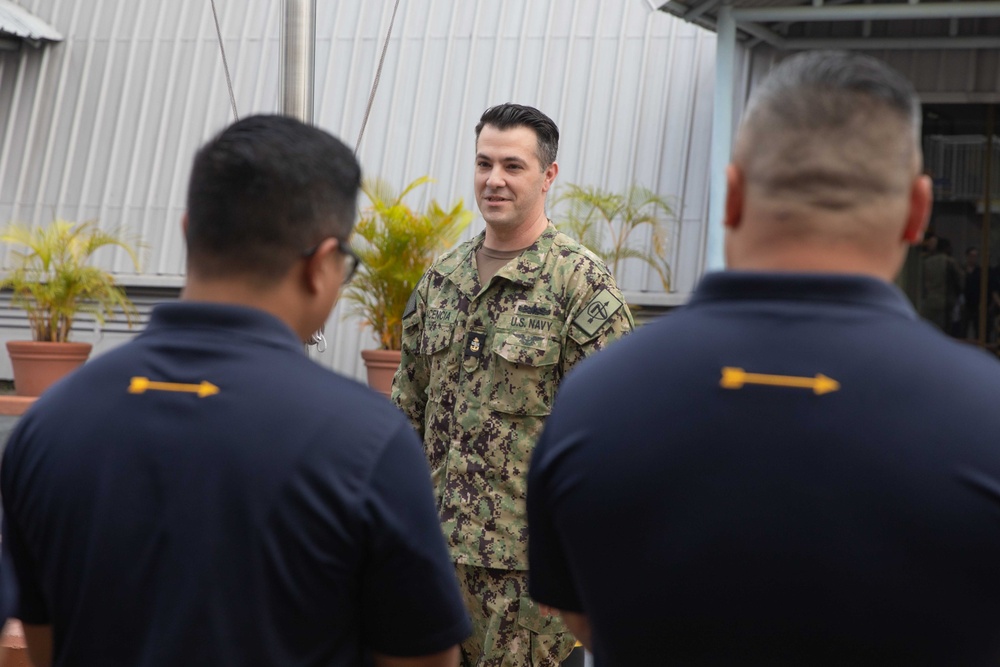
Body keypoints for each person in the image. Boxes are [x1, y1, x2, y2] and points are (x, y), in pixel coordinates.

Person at [528, 51, 1000, 666]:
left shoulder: (593, 398)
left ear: (730, 196)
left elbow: (580, 614)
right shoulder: (984, 416)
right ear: (918, 210)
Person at [0, 115, 470, 667]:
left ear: (186, 232)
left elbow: (43, 647)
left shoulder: (47, 425)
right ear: (322, 265)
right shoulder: (367, 441)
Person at [391, 103, 633, 667]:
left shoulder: (580, 286)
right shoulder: (439, 283)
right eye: (483, 163)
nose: (493, 180)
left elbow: (613, 442)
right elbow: (406, 416)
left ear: (548, 176)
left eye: (512, 166)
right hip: (436, 568)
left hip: (531, 588)